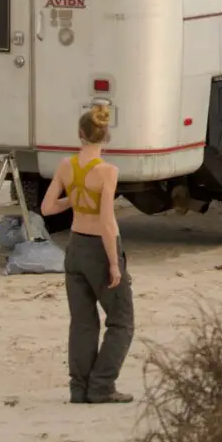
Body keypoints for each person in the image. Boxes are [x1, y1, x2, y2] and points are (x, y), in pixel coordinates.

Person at [41, 104, 134, 404]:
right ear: (106, 137)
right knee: (121, 321)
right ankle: (102, 385)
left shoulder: (66, 166)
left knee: (82, 322)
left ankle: (78, 389)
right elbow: (107, 223)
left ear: (80, 134)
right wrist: (114, 265)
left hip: (75, 246)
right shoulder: (108, 172)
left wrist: (74, 198)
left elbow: (47, 208)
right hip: (99, 248)